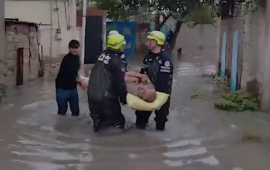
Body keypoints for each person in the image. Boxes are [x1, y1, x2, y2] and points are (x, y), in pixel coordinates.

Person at [87, 33, 128, 132]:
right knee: (118, 123)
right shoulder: (117, 61)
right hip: (107, 99)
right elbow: (120, 83)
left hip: (92, 96)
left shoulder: (101, 55)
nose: (123, 47)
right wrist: (124, 98)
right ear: (118, 46)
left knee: (98, 124)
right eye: (122, 45)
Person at [135, 31, 174, 131]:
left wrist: (154, 92)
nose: (148, 42)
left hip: (162, 94)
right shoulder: (148, 57)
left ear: (157, 42)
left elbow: (164, 81)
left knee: (160, 122)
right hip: (147, 92)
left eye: (151, 40)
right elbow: (142, 73)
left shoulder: (165, 59)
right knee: (140, 121)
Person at [55, 40, 81, 116]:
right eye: (73, 48)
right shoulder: (66, 59)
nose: (75, 50)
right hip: (62, 89)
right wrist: (80, 82)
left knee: (76, 112)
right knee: (62, 113)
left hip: (73, 89)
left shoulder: (77, 58)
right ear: (69, 48)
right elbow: (69, 74)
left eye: (76, 48)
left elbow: (77, 72)